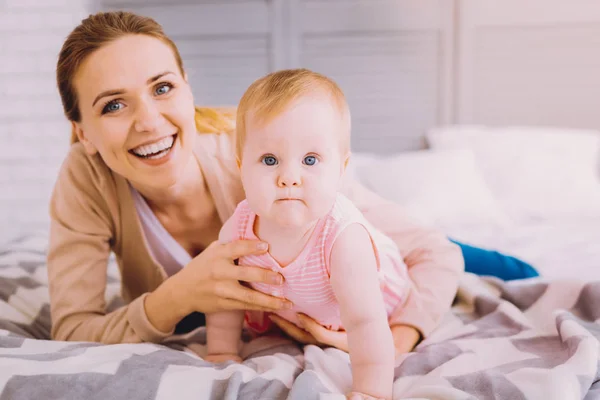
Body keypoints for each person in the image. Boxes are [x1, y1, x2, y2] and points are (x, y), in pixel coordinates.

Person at [46, 10, 531, 359]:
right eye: (113, 104)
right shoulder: (85, 179)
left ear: (188, 87)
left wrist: (397, 341)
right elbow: (73, 330)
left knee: (481, 260)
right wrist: (181, 294)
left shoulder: (265, 155)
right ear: (83, 132)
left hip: (349, 251)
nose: (149, 121)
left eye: (163, 87)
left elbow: (433, 253)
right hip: (266, 300)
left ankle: (511, 260)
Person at [206, 69, 409, 399]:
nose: (288, 177)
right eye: (269, 159)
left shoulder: (343, 240)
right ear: (241, 167)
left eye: (310, 159)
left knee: (436, 254)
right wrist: (220, 350)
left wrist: (371, 391)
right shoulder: (238, 227)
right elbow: (224, 294)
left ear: (341, 169)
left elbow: (365, 324)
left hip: (373, 298)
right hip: (301, 306)